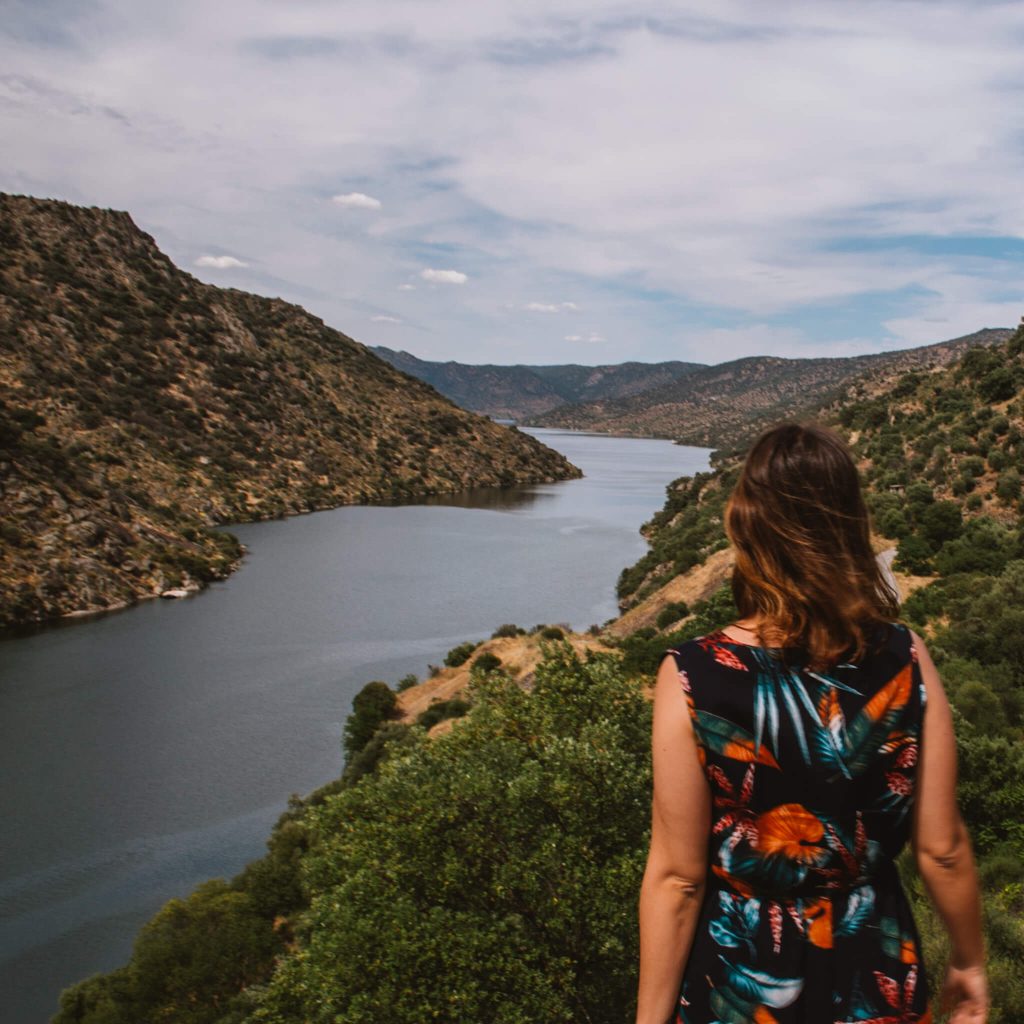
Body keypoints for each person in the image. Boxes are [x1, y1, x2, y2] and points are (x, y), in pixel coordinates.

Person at [635, 422, 988, 1024]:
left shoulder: (692, 674)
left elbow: (677, 880)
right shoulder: (905, 658)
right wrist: (969, 962)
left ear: (747, 524)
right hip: (873, 963)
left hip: (744, 980)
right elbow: (943, 848)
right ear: (850, 524)